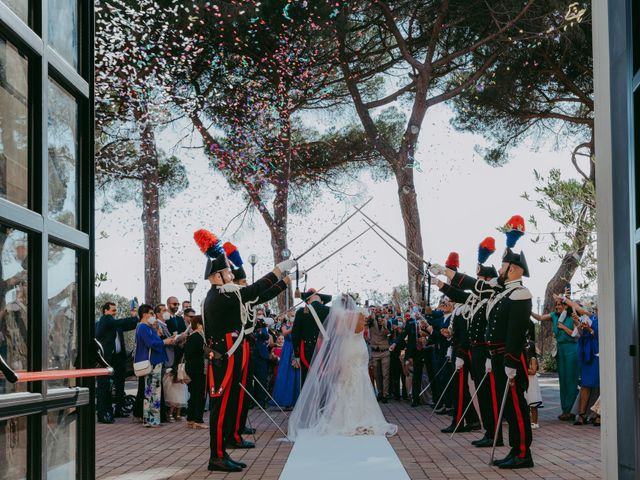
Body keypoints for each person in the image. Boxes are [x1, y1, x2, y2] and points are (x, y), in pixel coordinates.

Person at [197, 228, 295, 473]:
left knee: (227, 404)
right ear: (217, 275)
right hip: (225, 354)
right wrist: (279, 270)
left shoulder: (224, 293)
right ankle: (216, 456)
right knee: (220, 407)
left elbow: (255, 293)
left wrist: (281, 279)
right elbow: (255, 290)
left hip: (229, 351)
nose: (232, 274)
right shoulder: (222, 295)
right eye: (228, 271)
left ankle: (222, 450)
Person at [431, 245, 534, 469]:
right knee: (507, 406)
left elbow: (515, 333)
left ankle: (524, 452)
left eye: (504, 265)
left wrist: (511, 360)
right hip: (496, 356)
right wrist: (444, 274)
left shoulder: (520, 293)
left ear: (515, 269)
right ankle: (515, 450)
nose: (500, 268)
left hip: (509, 358)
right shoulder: (501, 291)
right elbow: (472, 285)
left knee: (517, 407)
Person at [288, 294, 397, 439]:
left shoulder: (340, 316)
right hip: (359, 348)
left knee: (345, 379)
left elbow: (338, 333)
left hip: (347, 348)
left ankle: (345, 417)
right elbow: (363, 332)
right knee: (361, 378)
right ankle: (364, 414)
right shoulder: (361, 314)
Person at [531, 296, 580, 421]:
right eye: (557, 304)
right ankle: (565, 410)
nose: (558, 306)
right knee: (563, 380)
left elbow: (576, 334)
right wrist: (528, 310)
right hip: (560, 349)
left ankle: (572, 410)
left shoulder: (572, 316)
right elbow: (540, 318)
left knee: (571, 379)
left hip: (571, 348)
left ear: (566, 306)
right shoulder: (554, 315)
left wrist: (563, 327)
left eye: (561, 304)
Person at [95, 302, 138, 423]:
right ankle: (103, 414)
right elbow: (119, 322)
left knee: (120, 384)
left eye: (116, 310)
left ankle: (118, 409)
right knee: (104, 387)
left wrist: (134, 318)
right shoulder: (105, 320)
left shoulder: (114, 323)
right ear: (105, 311)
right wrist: (134, 317)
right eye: (113, 310)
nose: (115, 312)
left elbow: (128, 325)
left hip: (118, 359)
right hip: (105, 360)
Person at [134, 304, 175, 428]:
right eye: (151, 313)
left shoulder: (148, 327)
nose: (153, 316)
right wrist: (164, 341)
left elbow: (154, 339)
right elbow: (150, 343)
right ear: (145, 314)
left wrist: (158, 332)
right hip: (151, 361)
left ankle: (154, 419)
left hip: (156, 361)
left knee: (155, 391)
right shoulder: (142, 327)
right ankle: (149, 419)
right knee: (150, 392)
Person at [291, 289, 332, 387]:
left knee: (306, 381)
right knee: (324, 379)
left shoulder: (301, 311)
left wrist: (296, 355)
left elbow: (295, 334)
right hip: (325, 349)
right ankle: (324, 402)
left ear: (308, 301)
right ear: (321, 300)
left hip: (306, 350)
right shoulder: (329, 310)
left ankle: (308, 402)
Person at [573, 307, 599, 426]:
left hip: (598, 354)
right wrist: (578, 323)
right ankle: (582, 414)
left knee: (600, 385)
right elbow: (581, 334)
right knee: (585, 384)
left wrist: (590, 329)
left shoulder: (605, 319)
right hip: (587, 354)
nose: (596, 310)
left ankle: (599, 414)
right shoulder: (591, 318)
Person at [184, 314, 207, 429]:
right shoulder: (199, 337)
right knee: (200, 395)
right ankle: (198, 420)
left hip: (191, 369)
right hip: (198, 369)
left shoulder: (191, 337)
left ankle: (190, 419)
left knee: (193, 394)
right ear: (198, 325)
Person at [271, 315, 300, 409]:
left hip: (295, 349)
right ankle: (285, 401)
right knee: (285, 374)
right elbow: (284, 333)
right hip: (287, 351)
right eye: (291, 315)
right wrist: (294, 326)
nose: (292, 316)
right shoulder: (284, 325)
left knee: (295, 375)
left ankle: (295, 401)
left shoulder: (297, 325)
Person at [368, 310, 391, 403]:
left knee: (385, 374)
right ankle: (380, 393)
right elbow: (367, 321)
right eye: (375, 310)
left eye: (379, 310)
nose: (377, 312)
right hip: (375, 352)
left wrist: (384, 325)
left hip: (384, 351)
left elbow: (388, 334)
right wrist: (371, 314)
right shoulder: (371, 321)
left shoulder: (386, 321)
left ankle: (386, 395)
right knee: (377, 374)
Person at [524, 320, 543, 429]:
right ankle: (529, 420)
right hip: (527, 381)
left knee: (533, 403)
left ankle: (535, 422)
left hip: (531, 382)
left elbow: (533, 371)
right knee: (527, 403)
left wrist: (524, 369)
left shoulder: (532, 359)